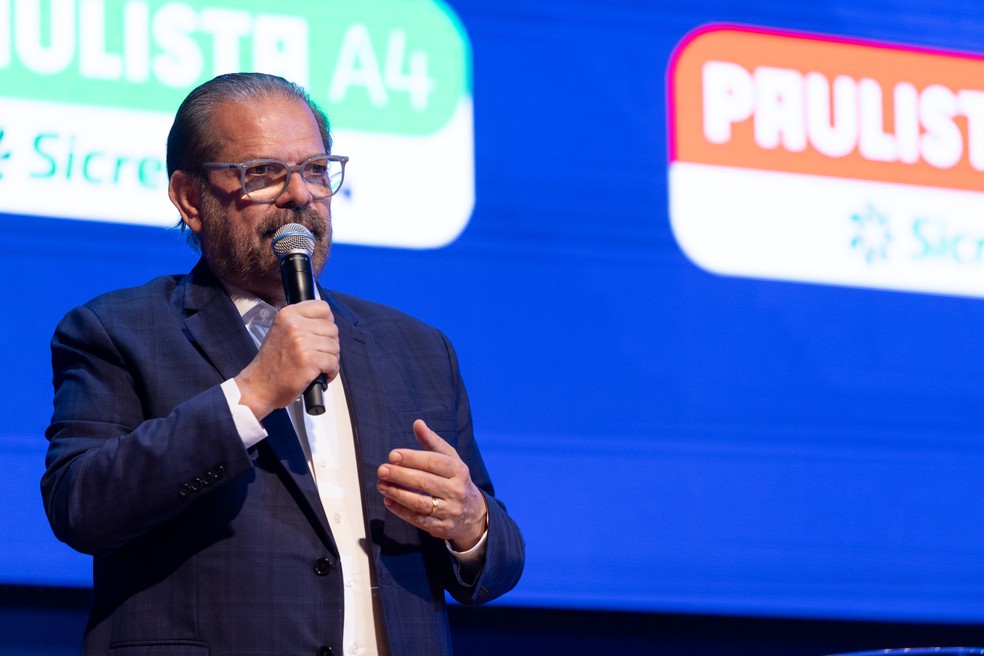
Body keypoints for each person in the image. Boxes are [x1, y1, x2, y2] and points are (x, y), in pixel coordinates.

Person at [41, 72, 525, 656]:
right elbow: (81, 506)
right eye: (263, 173)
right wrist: (249, 396)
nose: (299, 194)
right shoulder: (116, 331)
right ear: (190, 199)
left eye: (316, 170)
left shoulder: (417, 349)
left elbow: (495, 565)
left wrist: (471, 526)